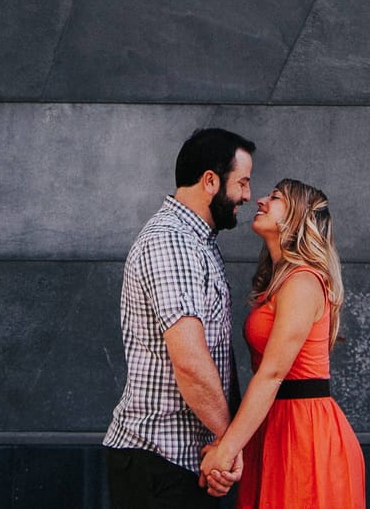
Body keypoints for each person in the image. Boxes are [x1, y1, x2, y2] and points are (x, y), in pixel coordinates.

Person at [104, 127, 257, 507]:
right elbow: (189, 361)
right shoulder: (172, 241)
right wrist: (228, 442)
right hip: (159, 459)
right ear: (210, 181)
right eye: (242, 182)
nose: (247, 195)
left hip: (183, 461)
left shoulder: (195, 242)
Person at [198, 179, 366, 508]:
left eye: (275, 198)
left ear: (298, 217)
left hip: (304, 433)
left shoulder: (303, 281)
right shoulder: (283, 281)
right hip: (274, 425)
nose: (260, 200)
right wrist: (233, 443)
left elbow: (273, 373)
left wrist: (226, 449)